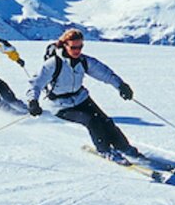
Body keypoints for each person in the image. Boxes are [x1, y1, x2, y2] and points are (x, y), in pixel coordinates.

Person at [25, 28, 142, 164]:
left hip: (81, 98)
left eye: (80, 46)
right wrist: (32, 101)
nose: (77, 50)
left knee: (106, 121)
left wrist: (121, 85)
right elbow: (36, 83)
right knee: (92, 121)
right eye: (74, 47)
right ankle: (105, 150)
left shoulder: (84, 61)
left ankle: (124, 147)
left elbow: (104, 73)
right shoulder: (54, 63)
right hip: (61, 106)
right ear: (65, 45)